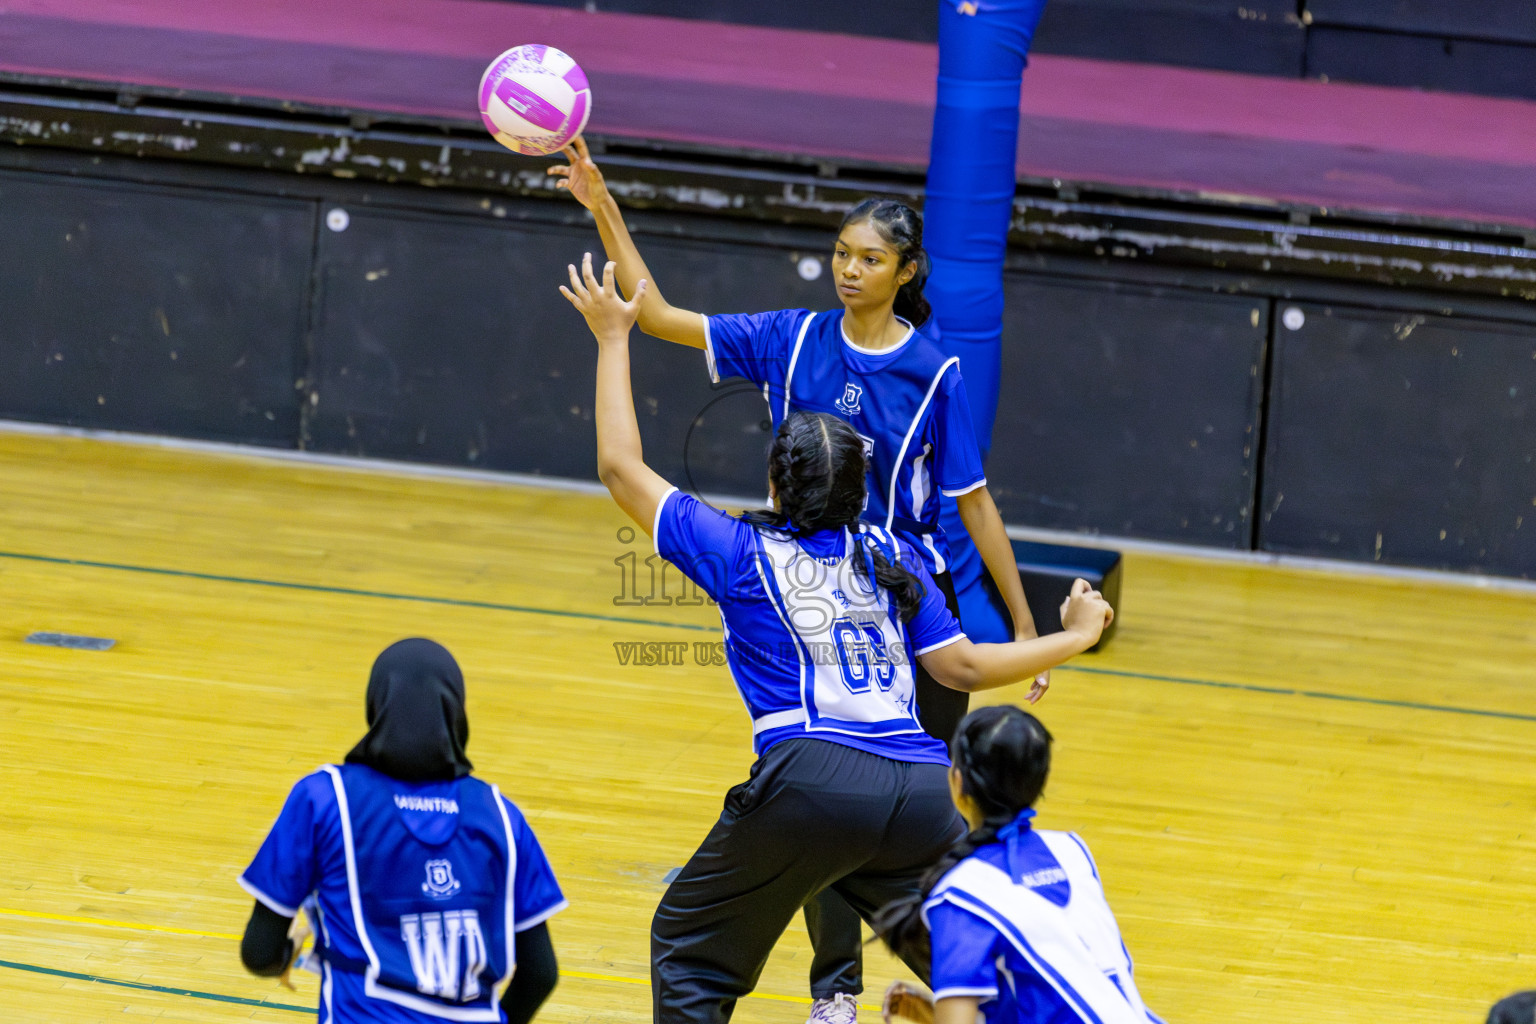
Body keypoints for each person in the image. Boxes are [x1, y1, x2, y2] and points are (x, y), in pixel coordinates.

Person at [551, 144, 1046, 1018]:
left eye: (869, 259)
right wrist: (602, 205)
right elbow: (655, 312)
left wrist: (1021, 619)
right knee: (857, 785)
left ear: (906, 271)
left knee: (863, 794)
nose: (849, 270)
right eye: (842, 253)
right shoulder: (793, 338)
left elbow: (974, 502)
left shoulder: (934, 373)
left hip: (904, 597)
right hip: (812, 578)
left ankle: (965, 982)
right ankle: (839, 990)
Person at [238, 638, 566, 1024]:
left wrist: (285, 953)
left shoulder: (324, 798)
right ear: (456, 711)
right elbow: (540, 974)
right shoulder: (501, 816)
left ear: (375, 706)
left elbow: (259, 953)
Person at [875, 706, 1161, 1024]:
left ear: (958, 782)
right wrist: (933, 1013)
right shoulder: (1071, 851)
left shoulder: (959, 893)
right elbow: (1049, 989)